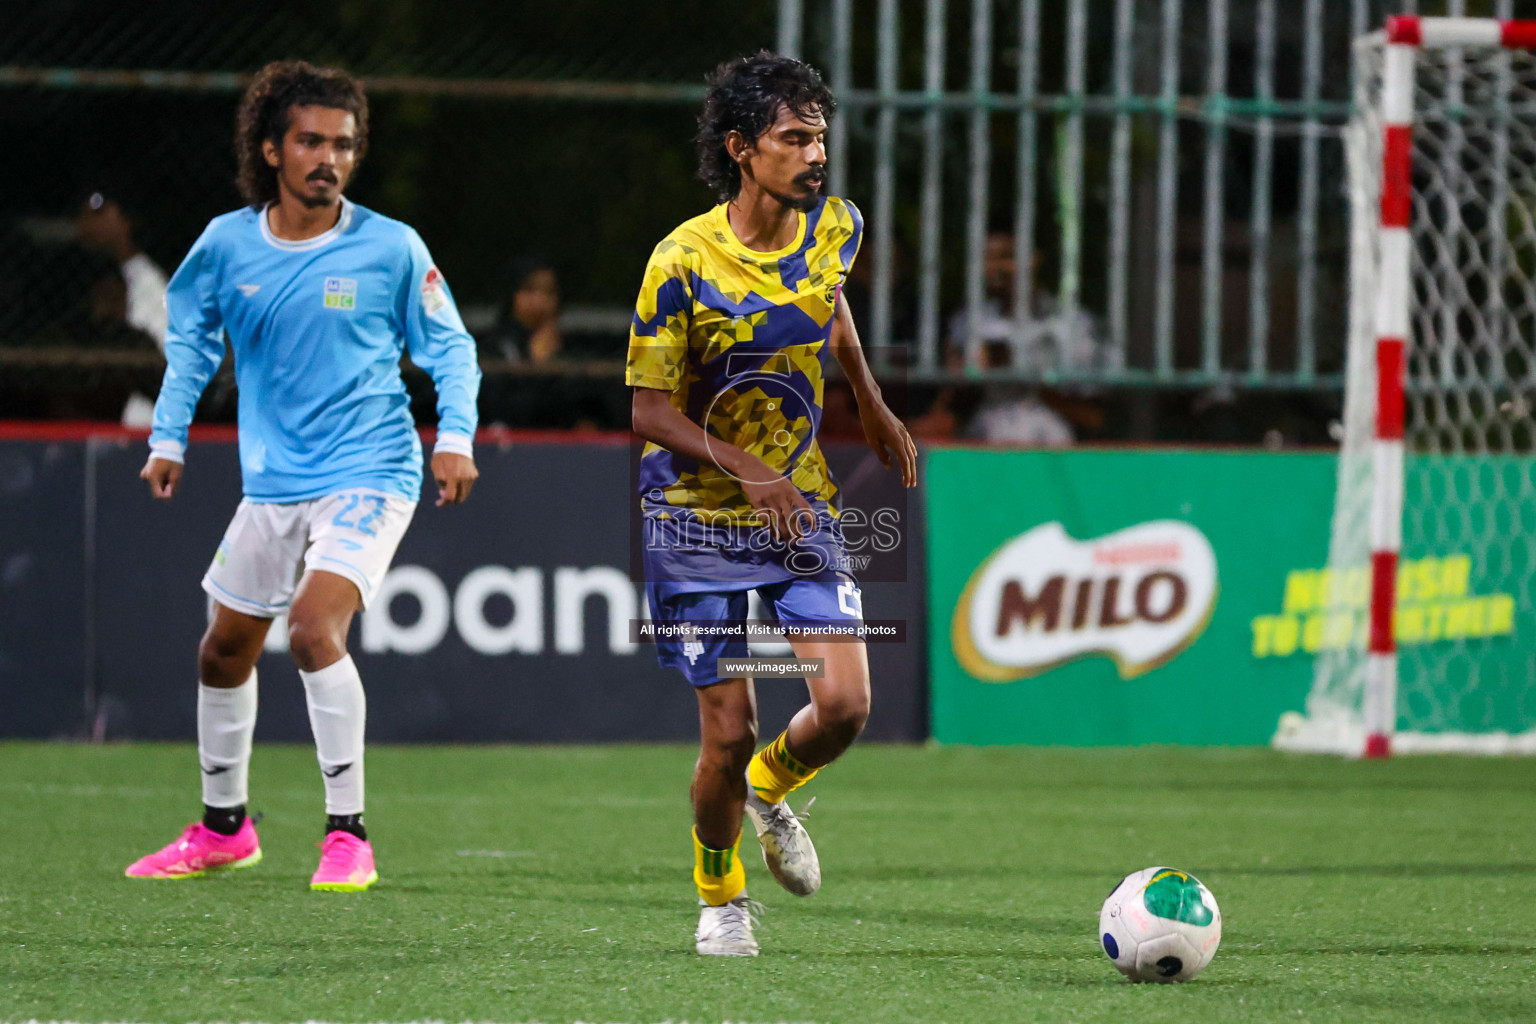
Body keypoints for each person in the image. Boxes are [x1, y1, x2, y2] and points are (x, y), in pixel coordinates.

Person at [123, 60, 481, 892]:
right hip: (274, 483)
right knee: (223, 651)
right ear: (271, 148)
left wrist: (454, 436)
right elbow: (191, 346)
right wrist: (168, 437)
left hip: (372, 469)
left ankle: (348, 833)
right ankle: (223, 830)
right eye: (312, 142)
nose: (330, 158)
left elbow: (451, 347)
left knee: (315, 629)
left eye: (344, 145)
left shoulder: (391, 247)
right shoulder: (225, 244)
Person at [627, 51, 917, 956]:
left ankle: (767, 790)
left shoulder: (837, 224)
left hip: (799, 501)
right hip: (695, 513)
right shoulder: (680, 262)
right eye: (795, 139)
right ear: (742, 148)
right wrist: (748, 468)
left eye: (820, 136)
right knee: (725, 729)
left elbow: (829, 306)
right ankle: (720, 897)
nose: (814, 154)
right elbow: (646, 408)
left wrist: (867, 399)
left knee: (844, 707)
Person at [78, 189, 172, 425]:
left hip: (146, 426)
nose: (86, 222)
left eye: (98, 213)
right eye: (84, 214)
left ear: (126, 220)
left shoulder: (152, 286)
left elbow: (167, 370)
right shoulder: (94, 279)